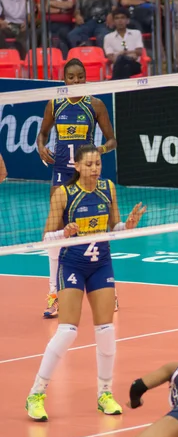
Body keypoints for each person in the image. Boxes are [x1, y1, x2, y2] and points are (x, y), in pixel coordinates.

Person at [25, 144, 146, 422]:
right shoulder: (63, 194)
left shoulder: (108, 188)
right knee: (67, 330)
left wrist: (127, 226)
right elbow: (46, 237)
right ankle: (36, 394)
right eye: (89, 165)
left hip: (101, 263)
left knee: (105, 329)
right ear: (77, 166)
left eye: (98, 164)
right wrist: (63, 233)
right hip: (73, 265)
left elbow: (113, 228)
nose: (94, 169)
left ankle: (104, 394)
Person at [37, 58, 117, 319]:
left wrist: (98, 151)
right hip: (61, 175)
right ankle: (54, 293)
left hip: (87, 175)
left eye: (80, 77)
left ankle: (107, 288)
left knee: (98, 226)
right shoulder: (54, 104)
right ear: (64, 79)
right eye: (71, 77)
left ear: (85, 78)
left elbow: (112, 140)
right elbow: (43, 133)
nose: (75, 81)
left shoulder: (95, 104)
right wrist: (41, 147)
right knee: (53, 235)